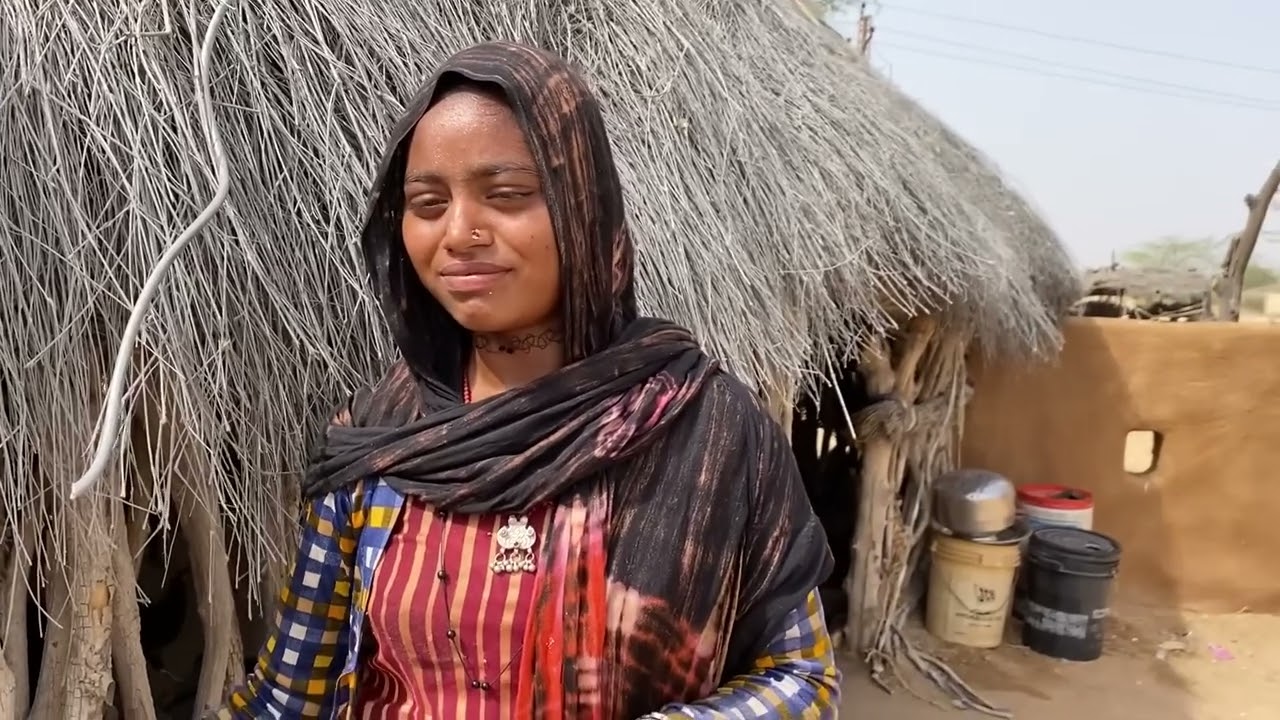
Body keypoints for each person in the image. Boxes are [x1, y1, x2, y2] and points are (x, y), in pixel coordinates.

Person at [215, 40, 839, 719]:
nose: (459, 232)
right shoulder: (380, 441)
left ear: (582, 209)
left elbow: (801, 677)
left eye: (506, 195)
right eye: (427, 204)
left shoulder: (708, 427)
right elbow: (289, 694)